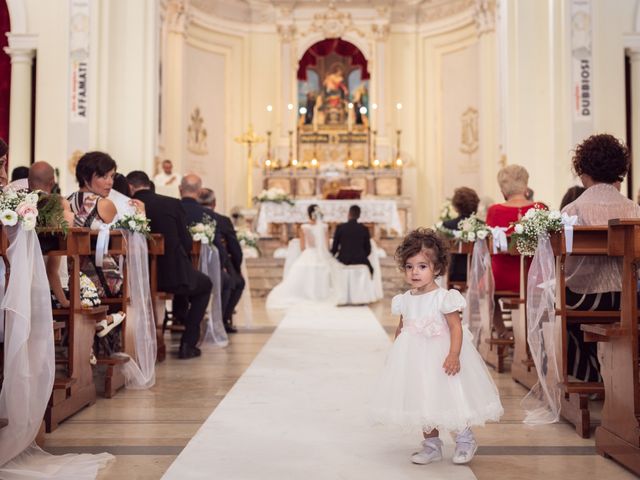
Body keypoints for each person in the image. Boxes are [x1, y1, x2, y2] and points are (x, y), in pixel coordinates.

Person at [371, 228, 503, 466]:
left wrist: (454, 354)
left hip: (442, 356)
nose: (415, 272)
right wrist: (396, 355)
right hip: (414, 357)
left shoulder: (444, 297)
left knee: (452, 396)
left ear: (437, 268)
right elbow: (402, 328)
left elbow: (455, 328)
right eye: (409, 266)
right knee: (422, 397)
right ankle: (431, 444)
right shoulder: (405, 299)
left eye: (422, 266)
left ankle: (465, 439)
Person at [562, 133, 640, 382]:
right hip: (628, 299)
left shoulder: (572, 210)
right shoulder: (634, 209)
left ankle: (590, 374)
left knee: (553, 305)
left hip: (585, 299)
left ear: (583, 172)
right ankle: (619, 376)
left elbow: (567, 265)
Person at [127, 170, 212, 358]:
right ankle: (188, 344)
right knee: (205, 285)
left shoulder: (126, 206)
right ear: (149, 184)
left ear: (130, 187)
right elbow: (187, 243)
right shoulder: (171, 203)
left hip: (136, 278)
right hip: (171, 275)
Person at [178, 174, 231, 335]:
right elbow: (218, 249)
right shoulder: (208, 215)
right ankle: (209, 323)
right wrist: (220, 267)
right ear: (199, 191)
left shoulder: (172, 208)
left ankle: (180, 315)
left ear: (180, 189)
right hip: (200, 271)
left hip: (171, 270)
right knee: (222, 281)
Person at [266, 204, 341, 309]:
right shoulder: (325, 227)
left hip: (308, 254)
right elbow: (327, 246)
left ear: (309, 214)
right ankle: (322, 294)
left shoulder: (303, 227)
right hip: (322, 256)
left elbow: (302, 247)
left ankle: (305, 294)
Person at [486, 165, 543, 293]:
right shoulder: (540, 208)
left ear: (503, 189)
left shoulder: (494, 211)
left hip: (502, 278)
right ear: (526, 185)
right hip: (535, 278)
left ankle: (497, 313)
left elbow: (489, 248)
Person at [195, 187, 244, 333]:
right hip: (215, 266)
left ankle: (180, 316)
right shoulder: (222, 220)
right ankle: (222, 319)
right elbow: (234, 249)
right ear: (214, 202)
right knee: (238, 282)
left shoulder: (186, 214)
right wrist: (236, 267)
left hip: (189, 266)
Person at [442, 187, 480, 283]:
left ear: (455, 207)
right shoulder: (481, 226)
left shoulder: (447, 226)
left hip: (455, 273)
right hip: (478, 272)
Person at [331, 205, 372, 274]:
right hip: (360, 259)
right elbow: (368, 250)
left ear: (349, 214)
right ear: (359, 216)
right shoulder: (364, 229)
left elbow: (334, 249)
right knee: (371, 270)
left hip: (343, 260)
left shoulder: (340, 227)